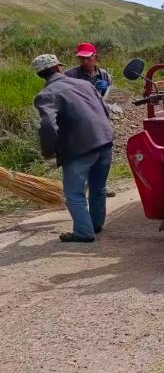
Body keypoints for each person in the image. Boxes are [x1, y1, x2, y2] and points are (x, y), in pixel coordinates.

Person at [32, 54, 115, 243]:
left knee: (74, 193)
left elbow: (47, 125)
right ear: (59, 68)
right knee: (98, 187)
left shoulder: (46, 95)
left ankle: (84, 233)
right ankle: (95, 224)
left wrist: (48, 151)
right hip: (104, 141)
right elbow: (105, 110)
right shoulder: (85, 85)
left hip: (79, 149)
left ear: (40, 75)